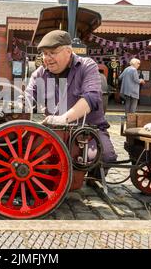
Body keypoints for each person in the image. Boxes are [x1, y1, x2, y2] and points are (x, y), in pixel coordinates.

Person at [25, 30, 117, 183]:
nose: (47, 58)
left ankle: (93, 176)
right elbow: (27, 99)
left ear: (68, 51)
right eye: (44, 53)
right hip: (55, 132)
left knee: (106, 156)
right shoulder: (39, 74)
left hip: (88, 129)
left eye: (52, 53)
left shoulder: (87, 66)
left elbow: (92, 98)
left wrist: (63, 118)